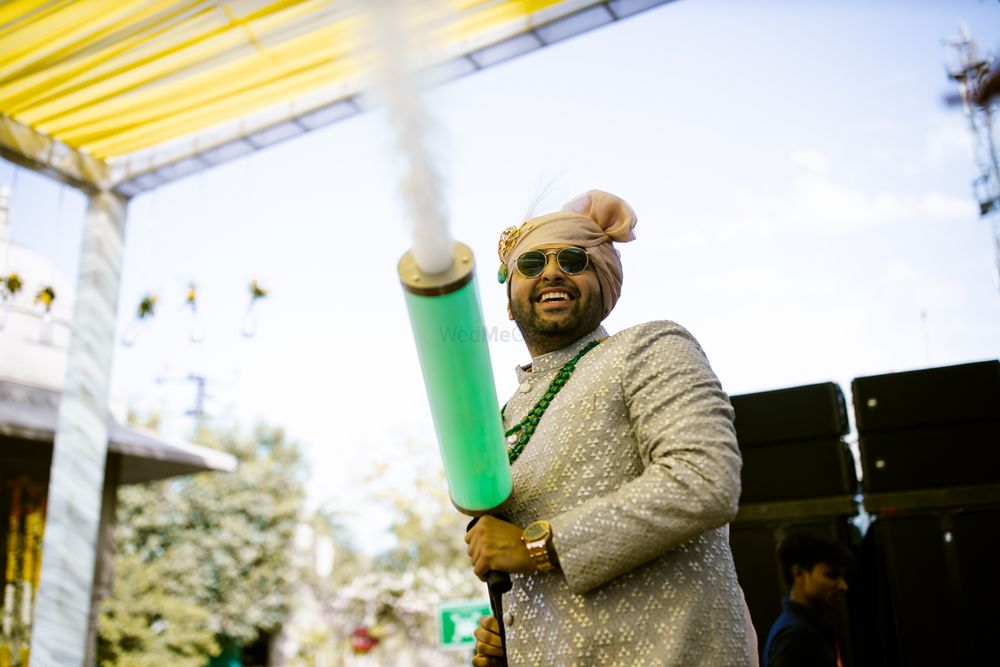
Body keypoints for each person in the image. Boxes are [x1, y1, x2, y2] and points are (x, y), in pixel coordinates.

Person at [464, 190, 753, 666]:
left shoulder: (651, 346)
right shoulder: (507, 415)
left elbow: (705, 481)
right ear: (509, 303)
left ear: (606, 281)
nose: (552, 272)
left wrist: (538, 546)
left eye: (573, 260)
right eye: (532, 263)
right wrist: (515, 641)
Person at [763, 533, 851, 667]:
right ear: (799, 574)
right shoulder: (794, 635)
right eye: (832, 575)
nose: (843, 586)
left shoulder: (806, 627)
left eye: (843, 577)